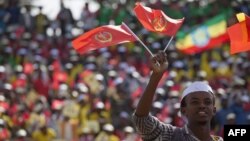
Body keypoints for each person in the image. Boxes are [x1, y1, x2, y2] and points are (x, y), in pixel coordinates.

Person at [132, 51, 223, 141]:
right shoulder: (172, 135)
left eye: (207, 102)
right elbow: (142, 122)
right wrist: (156, 76)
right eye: (195, 102)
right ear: (184, 110)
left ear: (214, 110)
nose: (202, 105)